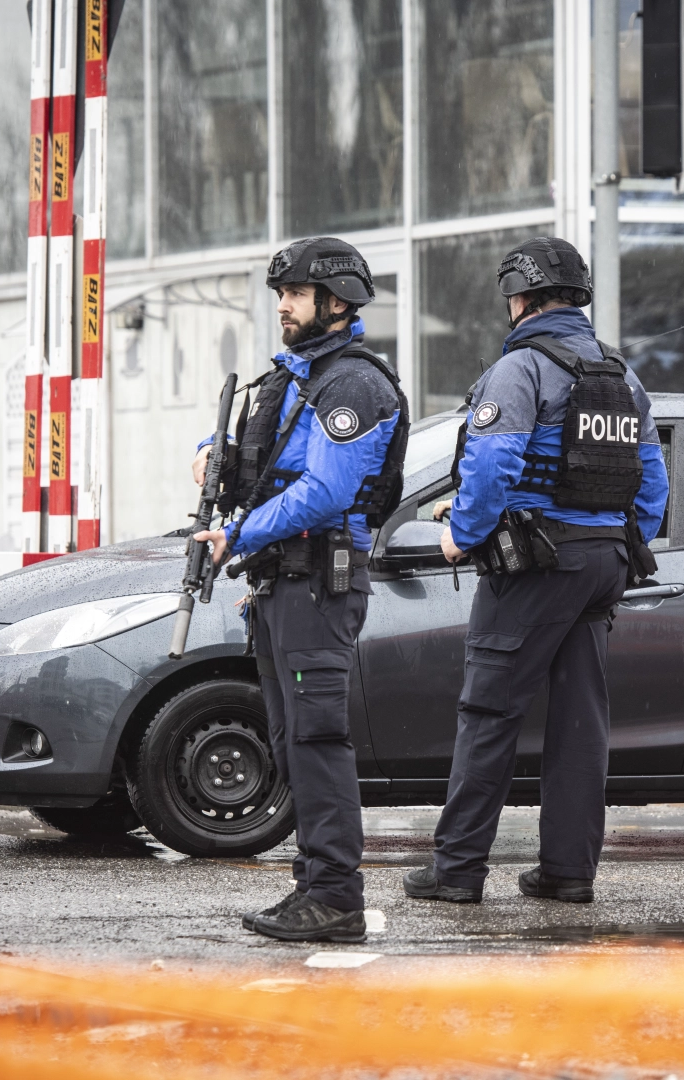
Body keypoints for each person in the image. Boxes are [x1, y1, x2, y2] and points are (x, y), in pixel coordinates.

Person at [402, 237, 668, 905]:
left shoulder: (522, 369)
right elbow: (653, 483)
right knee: (581, 722)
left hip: (538, 564)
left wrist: (461, 534)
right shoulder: (620, 375)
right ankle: (568, 873)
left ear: (519, 299)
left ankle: (456, 871)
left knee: (488, 712)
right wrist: (613, 533)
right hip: (604, 562)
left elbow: (492, 466)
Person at [191, 237, 403, 942]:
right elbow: (265, 454)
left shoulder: (355, 385)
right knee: (290, 742)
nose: (281, 305)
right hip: (283, 586)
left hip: (318, 583)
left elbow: (325, 491)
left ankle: (337, 895)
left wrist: (238, 535)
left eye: (295, 293)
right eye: (280, 293)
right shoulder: (295, 375)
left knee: (317, 740)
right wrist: (207, 456)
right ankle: (313, 885)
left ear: (336, 302)